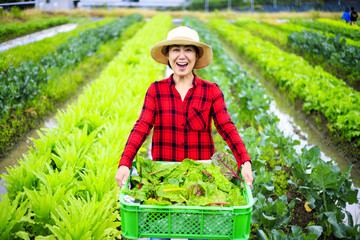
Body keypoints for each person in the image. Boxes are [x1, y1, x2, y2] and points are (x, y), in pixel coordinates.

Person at [115, 26, 253, 240]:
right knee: (159, 233)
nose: (182, 56)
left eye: (188, 50)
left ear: (196, 56)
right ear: (168, 55)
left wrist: (244, 161)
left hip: (201, 180)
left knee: (200, 234)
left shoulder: (211, 91)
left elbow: (226, 128)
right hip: (162, 181)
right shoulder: (156, 90)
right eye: (175, 50)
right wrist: (125, 163)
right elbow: (142, 127)